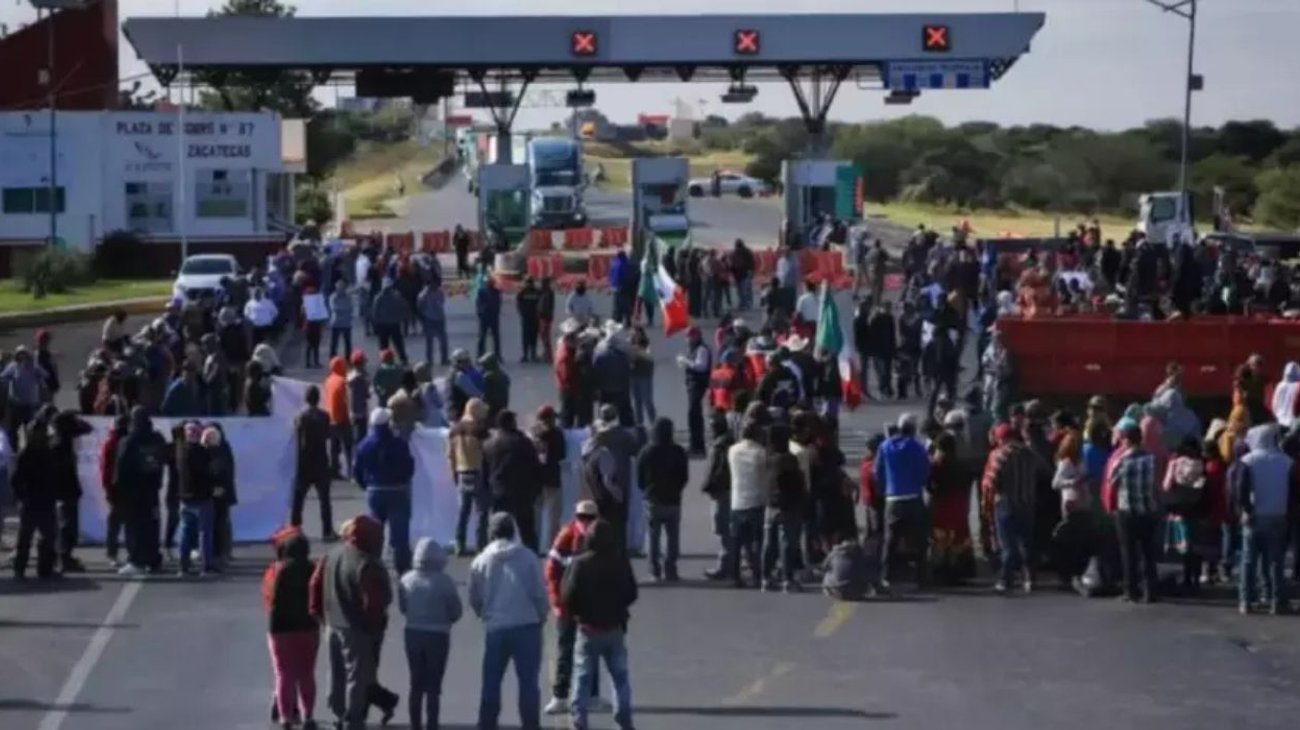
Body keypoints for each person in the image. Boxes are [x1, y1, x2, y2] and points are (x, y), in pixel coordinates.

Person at [310, 515, 396, 730]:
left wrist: (318, 614)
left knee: (335, 672)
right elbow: (374, 602)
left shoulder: (332, 554)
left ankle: (337, 713)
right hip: (356, 627)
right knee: (356, 676)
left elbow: (315, 584)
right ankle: (353, 718)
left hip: (332, 623)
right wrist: (374, 628)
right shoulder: (367, 563)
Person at [468, 513, 549, 730]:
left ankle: (487, 724)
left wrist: (483, 614)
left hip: (496, 627)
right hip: (526, 625)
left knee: (491, 682)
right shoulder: (528, 557)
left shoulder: (481, 560)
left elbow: (474, 597)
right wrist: (542, 615)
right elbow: (539, 593)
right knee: (528, 683)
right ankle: (530, 725)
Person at [561, 519, 639, 730]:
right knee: (620, 677)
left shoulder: (580, 563)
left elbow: (567, 596)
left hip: (588, 628)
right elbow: (632, 592)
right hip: (614, 627)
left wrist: (579, 613)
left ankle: (579, 720)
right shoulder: (620, 561)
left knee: (582, 677)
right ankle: (624, 719)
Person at [542, 501, 608, 716]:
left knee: (592, 650)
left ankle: (592, 696)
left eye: (589, 518)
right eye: (581, 518)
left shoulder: (602, 538)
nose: (585, 522)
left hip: (591, 605)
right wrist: (556, 603)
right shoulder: (566, 536)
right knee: (565, 650)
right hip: (568, 605)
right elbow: (551, 572)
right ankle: (560, 697)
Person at [399, 538, 463, 730]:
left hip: (412, 633)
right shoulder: (445, 582)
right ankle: (432, 724)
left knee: (415, 684)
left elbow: (403, 608)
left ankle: (415, 725)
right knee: (434, 687)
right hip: (438, 635)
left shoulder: (406, 580)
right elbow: (456, 612)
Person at [264, 529, 320, 730]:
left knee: (283, 673)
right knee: (306, 673)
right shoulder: (313, 569)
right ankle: (308, 715)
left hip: (280, 628)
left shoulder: (278, 570)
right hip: (308, 626)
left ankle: (285, 717)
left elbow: (270, 599)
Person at [981, 423, 1045, 594]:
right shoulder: (1030, 454)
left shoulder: (999, 454)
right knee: (1026, 542)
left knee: (1008, 544)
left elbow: (990, 482)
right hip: (1028, 503)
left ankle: (1005, 579)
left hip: (1005, 503)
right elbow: (1045, 471)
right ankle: (1030, 579)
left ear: (1001, 438)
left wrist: (987, 503)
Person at [1238, 423, 1294, 615]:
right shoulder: (1286, 461)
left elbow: (1241, 489)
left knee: (1248, 561)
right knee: (1275, 561)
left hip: (1254, 516)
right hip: (1278, 515)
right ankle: (1276, 601)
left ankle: (1246, 601)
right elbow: (1293, 493)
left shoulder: (1248, 461)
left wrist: (1245, 509)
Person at [1105, 423, 1162, 603]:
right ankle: (1150, 590)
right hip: (1148, 509)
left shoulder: (1121, 461)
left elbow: (1111, 482)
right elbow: (1157, 484)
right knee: (1148, 552)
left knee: (1128, 552)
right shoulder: (1151, 459)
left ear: (1126, 440)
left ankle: (1131, 590)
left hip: (1127, 510)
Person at [873, 414, 931, 591]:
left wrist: (885, 488)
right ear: (913, 430)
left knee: (890, 540)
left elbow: (878, 472)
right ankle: (922, 578)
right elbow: (925, 471)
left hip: (893, 498)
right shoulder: (917, 447)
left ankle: (886, 576)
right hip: (913, 497)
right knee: (920, 540)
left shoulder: (885, 446)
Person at [112, 406, 167, 575]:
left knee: (134, 525)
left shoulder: (129, 441)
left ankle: (136, 560)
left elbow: (120, 466)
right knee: (152, 524)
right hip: (152, 489)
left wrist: (117, 490)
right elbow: (162, 460)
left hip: (133, 491)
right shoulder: (157, 439)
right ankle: (153, 559)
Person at [636, 417, 689, 581]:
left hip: (653, 499)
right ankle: (671, 568)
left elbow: (639, 476)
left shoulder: (647, 451)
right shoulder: (678, 451)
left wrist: (646, 490)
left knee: (653, 537)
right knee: (673, 537)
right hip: (673, 499)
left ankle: (655, 570)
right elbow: (684, 476)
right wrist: (677, 489)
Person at [483, 410, 543, 552]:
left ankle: (495, 555)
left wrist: (487, 491)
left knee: (498, 529)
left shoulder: (488, 444)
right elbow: (535, 466)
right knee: (527, 531)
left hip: (498, 492)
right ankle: (532, 557)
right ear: (511, 422)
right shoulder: (523, 442)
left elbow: (484, 471)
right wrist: (536, 489)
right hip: (522, 492)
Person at [11, 415, 57, 579]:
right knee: (25, 538)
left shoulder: (48, 453)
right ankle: (20, 569)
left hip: (45, 501)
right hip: (30, 502)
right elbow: (15, 480)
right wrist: (22, 497)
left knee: (47, 537)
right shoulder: (25, 455)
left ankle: (45, 569)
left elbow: (55, 476)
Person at [726, 421, 770, 588]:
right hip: (756, 500)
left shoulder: (733, 451)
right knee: (756, 541)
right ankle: (758, 574)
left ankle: (734, 576)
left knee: (736, 541)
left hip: (737, 500)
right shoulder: (761, 453)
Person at [764, 423, 807, 592]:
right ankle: (787, 580)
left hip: (771, 505)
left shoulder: (769, 458)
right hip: (789, 505)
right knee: (788, 543)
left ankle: (766, 577)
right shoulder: (788, 459)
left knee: (770, 543)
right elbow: (797, 481)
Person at [292, 385, 335, 540]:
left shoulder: (300, 417)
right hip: (320, 461)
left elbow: (296, 437)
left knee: (299, 499)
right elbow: (328, 436)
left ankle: (295, 529)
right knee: (324, 499)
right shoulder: (324, 416)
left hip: (304, 462)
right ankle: (327, 531)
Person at [449, 398, 491, 555]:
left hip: (461, 472)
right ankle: (481, 545)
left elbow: (450, 455)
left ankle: (459, 544)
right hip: (479, 472)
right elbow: (487, 452)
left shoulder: (455, 429)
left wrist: (453, 473)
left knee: (463, 512)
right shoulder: (481, 431)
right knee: (481, 512)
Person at [177, 422, 218, 576]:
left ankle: (183, 567)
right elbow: (210, 471)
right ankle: (206, 567)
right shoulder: (202, 452)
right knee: (204, 533)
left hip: (185, 497)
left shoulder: (181, 451)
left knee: (185, 533)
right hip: (202, 497)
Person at [531, 405, 567, 549]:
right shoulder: (557, 434)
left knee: (536, 516)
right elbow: (562, 455)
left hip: (536, 479)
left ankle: (535, 545)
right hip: (553, 479)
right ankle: (553, 547)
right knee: (554, 516)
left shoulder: (533, 434)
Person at [677, 326, 712, 455]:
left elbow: (701, 366)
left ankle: (698, 446)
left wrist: (686, 361)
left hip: (698, 384)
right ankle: (695, 444)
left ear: (696, 336)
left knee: (694, 414)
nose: (687, 339)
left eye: (689, 336)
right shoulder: (693, 348)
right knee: (693, 415)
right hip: (693, 384)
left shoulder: (702, 349)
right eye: (687, 336)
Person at [371, 279, 411, 364]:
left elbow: (375, 311)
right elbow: (404, 307)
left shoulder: (379, 297)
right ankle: (403, 359)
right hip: (393, 323)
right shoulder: (396, 295)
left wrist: (375, 324)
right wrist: (403, 319)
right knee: (398, 343)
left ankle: (385, 360)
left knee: (384, 345)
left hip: (384, 324)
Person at [417, 279, 450, 367]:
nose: (435, 285)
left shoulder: (439, 292)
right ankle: (429, 360)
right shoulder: (423, 294)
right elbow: (419, 306)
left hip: (439, 318)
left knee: (443, 340)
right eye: (433, 284)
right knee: (429, 341)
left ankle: (444, 359)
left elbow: (442, 302)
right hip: (430, 319)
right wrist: (424, 315)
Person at [476, 277, 504, 359]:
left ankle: (498, 355)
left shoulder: (496, 292)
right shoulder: (482, 292)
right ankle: (480, 354)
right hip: (485, 317)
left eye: (492, 283)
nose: (491, 285)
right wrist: (481, 314)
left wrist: (497, 312)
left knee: (496, 337)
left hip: (494, 317)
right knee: (482, 337)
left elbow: (499, 303)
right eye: (490, 283)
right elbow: (478, 304)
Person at [517, 277, 543, 363]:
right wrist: (522, 313)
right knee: (528, 337)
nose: (528, 285)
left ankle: (531, 354)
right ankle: (527, 355)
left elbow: (541, 303)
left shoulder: (525, 292)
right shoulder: (523, 292)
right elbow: (519, 304)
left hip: (531, 318)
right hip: (529, 318)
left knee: (531, 337)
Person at [328, 276, 355, 359]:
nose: (341, 288)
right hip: (336, 323)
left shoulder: (349, 297)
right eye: (339, 286)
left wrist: (342, 309)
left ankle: (348, 358)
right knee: (334, 343)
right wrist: (345, 309)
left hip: (346, 323)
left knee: (348, 343)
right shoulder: (333, 297)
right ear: (336, 287)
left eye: (343, 286)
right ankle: (333, 358)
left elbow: (351, 307)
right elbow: (334, 308)